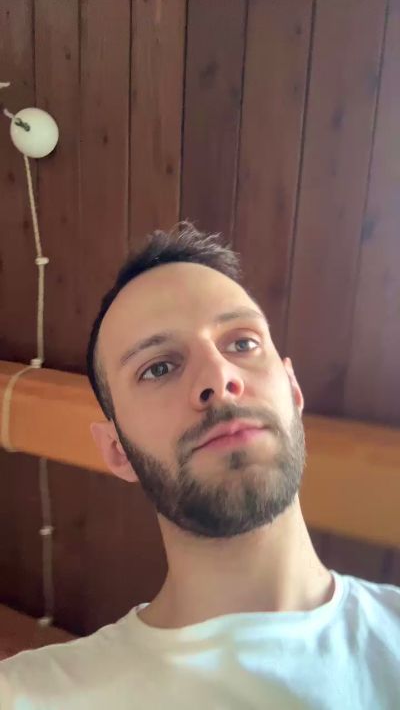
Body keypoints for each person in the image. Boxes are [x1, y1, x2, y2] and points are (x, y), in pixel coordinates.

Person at [1, 223, 399, 709]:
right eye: (159, 367)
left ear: (293, 391)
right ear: (117, 451)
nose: (219, 376)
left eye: (242, 343)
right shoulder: (27, 695)